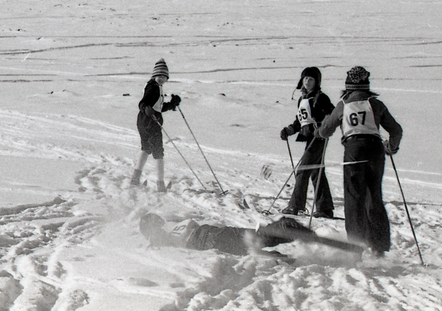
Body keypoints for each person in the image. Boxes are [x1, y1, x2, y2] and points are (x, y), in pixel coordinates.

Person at [318, 66, 403, 256]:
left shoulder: (343, 104)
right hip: (375, 150)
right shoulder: (376, 104)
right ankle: (379, 247)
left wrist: (320, 131)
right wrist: (392, 147)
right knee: (374, 197)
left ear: (348, 86)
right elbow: (396, 130)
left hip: (354, 151)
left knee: (354, 198)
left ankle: (356, 247)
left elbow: (325, 131)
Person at [279, 66, 335, 217]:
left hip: (318, 139)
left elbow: (332, 114)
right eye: (305, 79)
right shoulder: (303, 99)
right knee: (317, 171)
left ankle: (296, 206)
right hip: (309, 138)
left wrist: (322, 128)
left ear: (317, 82)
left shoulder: (321, 98)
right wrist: (289, 130)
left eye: (311, 79)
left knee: (303, 170)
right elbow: (300, 121)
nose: (308, 82)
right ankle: (325, 208)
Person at [140, 213, 310, 256]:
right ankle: (285, 227)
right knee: (258, 237)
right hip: (212, 230)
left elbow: (157, 241)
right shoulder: (175, 223)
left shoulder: (161, 234)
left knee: (252, 245)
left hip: (207, 240)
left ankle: (283, 230)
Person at [129, 58, 181, 192]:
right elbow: (143, 103)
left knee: (146, 148)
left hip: (144, 121)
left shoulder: (156, 86)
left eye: (165, 76)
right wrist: (146, 108)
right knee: (158, 152)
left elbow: (158, 107)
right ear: (155, 76)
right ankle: (160, 184)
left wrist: (171, 104)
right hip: (150, 122)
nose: (162, 78)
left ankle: (135, 178)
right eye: (160, 76)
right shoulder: (153, 87)